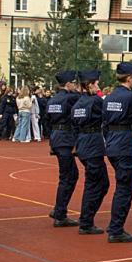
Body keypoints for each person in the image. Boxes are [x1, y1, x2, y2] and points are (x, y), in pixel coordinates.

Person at [103, 62, 132, 243]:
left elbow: (104, 123)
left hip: (111, 142)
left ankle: (115, 226)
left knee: (128, 183)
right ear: (129, 78)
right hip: (124, 143)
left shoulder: (109, 97)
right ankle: (116, 229)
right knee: (125, 185)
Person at [70, 70, 109, 234]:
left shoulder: (77, 104)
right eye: (96, 83)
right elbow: (107, 116)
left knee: (95, 183)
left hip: (83, 144)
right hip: (93, 144)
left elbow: (73, 123)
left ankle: (86, 218)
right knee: (97, 184)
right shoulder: (95, 101)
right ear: (89, 85)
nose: (98, 86)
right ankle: (86, 221)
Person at [47, 71, 81, 227]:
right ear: (67, 84)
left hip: (56, 137)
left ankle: (59, 209)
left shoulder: (53, 99)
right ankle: (60, 213)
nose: (75, 85)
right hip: (65, 138)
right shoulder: (70, 98)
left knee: (69, 175)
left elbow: (46, 120)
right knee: (68, 176)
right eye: (73, 83)